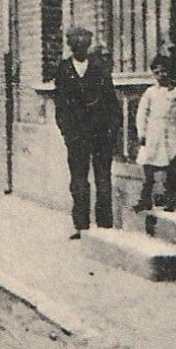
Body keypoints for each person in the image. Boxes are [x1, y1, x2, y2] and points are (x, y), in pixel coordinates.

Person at [53, 26, 123, 239]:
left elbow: (112, 101)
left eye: (84, 43)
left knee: (103, 179)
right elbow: (61, 106)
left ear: (88, 45)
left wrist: (111, 129)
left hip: (101, 134)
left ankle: (104, 226)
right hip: (77, 136)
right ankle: (81, 226)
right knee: (79, 181)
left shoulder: (99, 67)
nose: (80, 47)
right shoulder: (64, 70)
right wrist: (68, 133)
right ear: (70, 46)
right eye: (76, 43)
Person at [133, 52, 176, 212]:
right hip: (152, 133)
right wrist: (142, 133)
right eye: (157, 72)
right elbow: (141, 113)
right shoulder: (150, 93)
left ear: (170, 71)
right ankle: (145, 198)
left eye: (164, 71)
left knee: (171, 168)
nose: (161, 75)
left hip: (170, 134)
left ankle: (172, 199)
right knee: (148, 167)